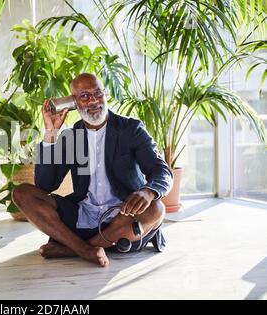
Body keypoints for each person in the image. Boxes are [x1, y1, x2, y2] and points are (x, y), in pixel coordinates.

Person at [12, 73, 173, 267]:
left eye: (98, 93)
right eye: (85, 96)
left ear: (105, 95)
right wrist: (51, 133)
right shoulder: (70, 137)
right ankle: (85, 249)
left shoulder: (131, 129)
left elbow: (161, 170)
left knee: (157, 208)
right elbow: (45, 185)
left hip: (124, 216)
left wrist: (148, 192)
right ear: (73, 102)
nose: (94, 100)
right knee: (22, 193)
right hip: (83, 215)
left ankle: (73, 248)